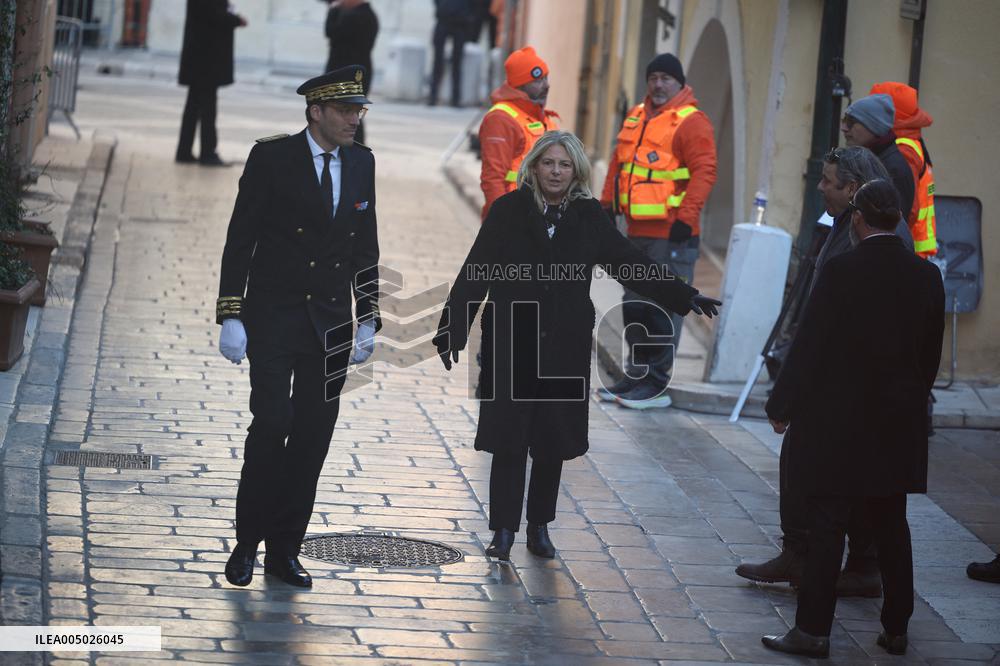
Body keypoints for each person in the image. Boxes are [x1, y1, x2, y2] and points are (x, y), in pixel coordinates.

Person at [433, 130, 720, 561]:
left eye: (564, 165)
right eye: (548, 163)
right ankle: (504, 530)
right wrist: (453, 326)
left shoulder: (588, 216)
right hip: (513, 340)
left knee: (552, 441)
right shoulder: (508, 211)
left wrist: (682, 295)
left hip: (564, 346)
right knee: (509, 440)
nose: (555, 171)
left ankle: (539, 527)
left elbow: (629, 262)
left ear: (576, 171)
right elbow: (477, 269)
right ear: (533, 166)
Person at [761, 178, 945, 658]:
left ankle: (813, 630)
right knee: (892, 524)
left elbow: (809, 346)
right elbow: (929, 360)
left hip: (839, 423)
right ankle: (897, 627)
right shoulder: (928, 278)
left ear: (859, 219)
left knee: (828, 526)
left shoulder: (842, 271)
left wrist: (782, 406)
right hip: (896, 424)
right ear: (899, 220)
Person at [216, 65, 381, 588]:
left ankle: (284, 552)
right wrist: (231, 313)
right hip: (274, 316)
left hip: (330, 323)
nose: (355, 119)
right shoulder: (272, 157)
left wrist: (368, 317)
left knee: (313, 436)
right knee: (271, 425)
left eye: (359, 110)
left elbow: (364, 246)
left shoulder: (361, 163)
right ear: (316, 113)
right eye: (345, 110)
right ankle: (246, 542)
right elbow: (240, 238)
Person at [735, 146, 914, 592]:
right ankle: (800, 554)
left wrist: (792, 390)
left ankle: (852, 570)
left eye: (828, 182)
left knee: (842, 484)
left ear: (853, 190)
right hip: (830, 383)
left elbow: (845, 328)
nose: (819, 188)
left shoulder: (876, 243)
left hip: (849, 389)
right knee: (801, 466)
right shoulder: (838, 228)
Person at [597, 53, 718, 409]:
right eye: (654, 77)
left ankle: (655, 383)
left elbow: (705, 171)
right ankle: (634, 378)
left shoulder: (691, 122)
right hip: (635, 230)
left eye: (666, 78)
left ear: (680, 83)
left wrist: (687, 215)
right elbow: (618, 166)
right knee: (634, 303)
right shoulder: (637, 115)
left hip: (672, 234)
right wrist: (606, 205)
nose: (658, 84)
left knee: (661, 306)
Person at [478, 46, 560, 220]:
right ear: (520, 86)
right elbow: (493, 178)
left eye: (546, 78)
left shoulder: (543, 119)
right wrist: (502, 223)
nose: (546, 85)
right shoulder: (500, 119)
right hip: (514, 219)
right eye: (538, 80)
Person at [870, 81, 938, 258]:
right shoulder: (911, 143)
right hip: (911, 247)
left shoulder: (902, 152)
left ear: (890, 114)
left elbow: (906, 208)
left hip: (905, 249)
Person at [175, 0, 247, 166]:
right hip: (206, 56)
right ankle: (208, 153)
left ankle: (184, 151)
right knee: (207, 106)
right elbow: (213, 14)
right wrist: (235, 19)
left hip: (200, 54)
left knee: (194, 105)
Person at [841, 94, 915, 222]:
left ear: (873, 126)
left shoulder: (893, 169)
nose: (844, 128)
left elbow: (891, 227)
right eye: (844, 120)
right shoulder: (866, 160)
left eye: (851, 122)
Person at [324, 0, 378, 145]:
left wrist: (333, 11)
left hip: (347, 75)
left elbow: (331, 31)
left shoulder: (355, 17)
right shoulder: (368, 15)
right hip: (357, 73)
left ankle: (354, 151)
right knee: (351, 114)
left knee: (348, 115)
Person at [428, 0, 477, 107]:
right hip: (443, 19)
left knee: (457, 63)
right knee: (437, 62)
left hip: (460, 23)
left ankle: (455, 99)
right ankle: (432, 97)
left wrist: (468, 16)